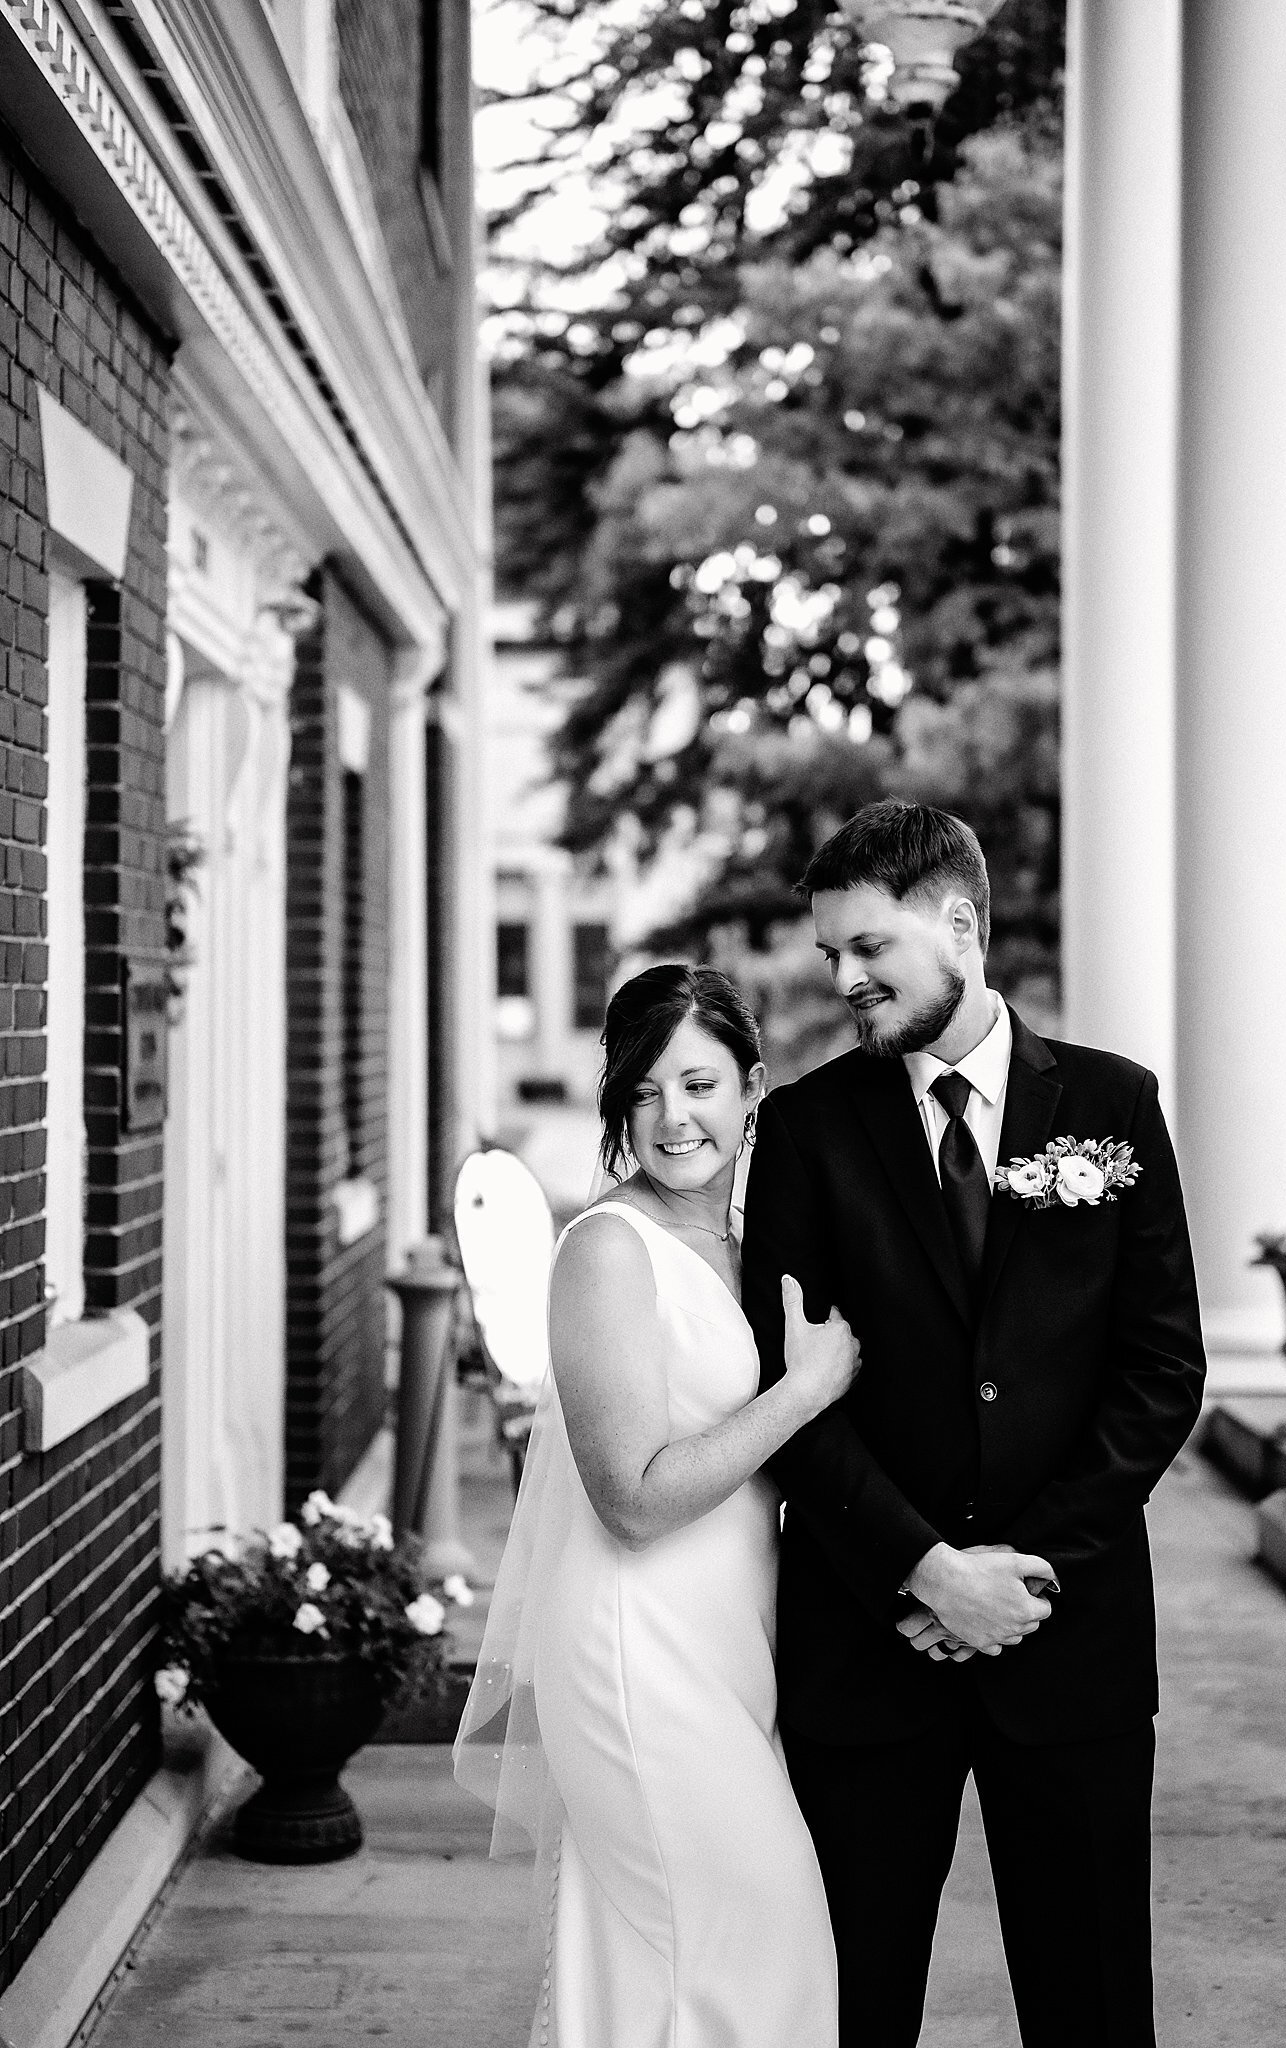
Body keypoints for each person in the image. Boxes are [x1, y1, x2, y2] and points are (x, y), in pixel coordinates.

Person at [741, 799, 1206, 2048]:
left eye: (867, 948)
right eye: (830, 950)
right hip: (868, 1637)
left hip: (1072, 1646)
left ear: (958, 922)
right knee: (849, 2004)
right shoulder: (803, 1127)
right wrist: (930, 1571)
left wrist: (1022, 1576)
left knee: (1095, 2001)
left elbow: (1161, 1372)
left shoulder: (1113, 1103)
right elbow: (787, 1401)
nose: (841, 977)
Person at [453, 963, 857, 2048]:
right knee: (765, 1940)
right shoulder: (605, 1250)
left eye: (699, 1083)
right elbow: (630, 1497)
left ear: (753, 1087)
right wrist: (803, 1391)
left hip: (730, 1642)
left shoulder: (744, 1242)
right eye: (644, 1090)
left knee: (650, 1964)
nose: (672, 1116)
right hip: (635, 1647)